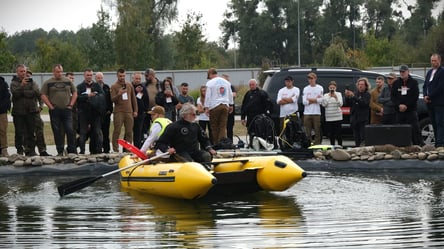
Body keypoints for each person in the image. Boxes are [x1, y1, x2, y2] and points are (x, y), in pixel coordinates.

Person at [40, 64, 78, 156]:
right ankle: (60, 151)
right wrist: (50, 106)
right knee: (57, 131)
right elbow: (43, 95)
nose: (59, 73)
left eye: (61, 71)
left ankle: (71, 150)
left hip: (67, 110)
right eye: (57, 72)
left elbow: (75, 93)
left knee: (70, 130)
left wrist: (71, 105)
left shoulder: (68, 81)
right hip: (55, 110)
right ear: (53, 72)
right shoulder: (48, 82)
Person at [10, 65, 40, 156]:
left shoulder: (31, 82)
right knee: (19, 132)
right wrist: (22, 86)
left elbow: (35, 92)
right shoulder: (14, 83)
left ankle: (31, 150)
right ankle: (19, 150)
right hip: (18, 112)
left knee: (31, 132)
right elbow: (15, 94)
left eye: (24, 71)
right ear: (17, 72)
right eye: (21, 71)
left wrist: (23, 92)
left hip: (30, 111)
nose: (23, 73)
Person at [391, 65, 423, 146]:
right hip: (399, 111)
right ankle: (401, 145)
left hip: (410, 110)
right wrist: (399, 105)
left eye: (403, 72)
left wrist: (406, 105)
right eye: (401, 72)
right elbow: (393, 96)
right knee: (400, 129)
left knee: (415, 129)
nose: (402, 73)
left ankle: (418, 145)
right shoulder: (396, 83)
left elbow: (415, 96)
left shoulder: (414, 82)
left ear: (408, 72)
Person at [76, 68, 104, 154]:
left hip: (95, 113)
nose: (89, 77)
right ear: (84, 75)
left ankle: (99, 150)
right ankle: (82, 151)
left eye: (91, 75)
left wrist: (95, 97)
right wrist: (87, 96)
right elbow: (77, 98)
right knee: (83, 132)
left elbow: (102, 96)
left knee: (97, 132)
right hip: (83, 113)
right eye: (87, 75)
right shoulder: (80, 86)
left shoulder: (96, 86)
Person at [110, 68, 138, 152]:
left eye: (123, 76)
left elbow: (133, 99)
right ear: (117, 76)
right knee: (117, 131)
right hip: (119, 111)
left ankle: (128, 149)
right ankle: (115, 149)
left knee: (129, 131)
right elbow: (112, 99)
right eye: (120, 76)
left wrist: (135, 110)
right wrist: (119, 94)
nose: (122, 77)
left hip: (129, 111)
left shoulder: (129, 85)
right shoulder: (114, 86)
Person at [204, 68, 234, 145]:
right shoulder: (226, 82)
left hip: (214, 106)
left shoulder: (210, 83)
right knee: (223, 126)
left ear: (210, 74)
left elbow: (208, 96)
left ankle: (217, 143)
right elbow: (230, 94)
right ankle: (223, 142)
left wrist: (206, 107)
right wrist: (231, 104)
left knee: (214, 126)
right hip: (225, 105)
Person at [26, 69, 51, 156]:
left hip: (34, 110)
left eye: (29, 75)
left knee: (39, 130)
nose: (28, 76)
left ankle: (42, 150)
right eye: (26, 74)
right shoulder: (19, 84)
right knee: (27, 132)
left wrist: (41, 106)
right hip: (24, 111)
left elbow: (40, 95)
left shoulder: (34, 84)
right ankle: (29, 150)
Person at [423, 53, 444, 147]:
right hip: (429, 103)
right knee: (434, 123)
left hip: (439, 102)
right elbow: (425, 85)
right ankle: (436, 142)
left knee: (440, 123)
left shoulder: (442, 72)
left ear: (439, 61)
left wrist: (429, 96)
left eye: (435, 60)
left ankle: (440, 143)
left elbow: (440, 87)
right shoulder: (429, 72)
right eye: (432, 60)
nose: (433, 62)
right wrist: (424, 95)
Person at [345, 77, 371, 147]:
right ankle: (357, 150)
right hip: (354, 119)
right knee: (356, 137)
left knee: (363, 137)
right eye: (359, 84)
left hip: (363, 119)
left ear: (366, 86)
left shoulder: (367, 94)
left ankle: (363, 151)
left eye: (362, 84)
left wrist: (353, 97)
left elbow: (364, 104)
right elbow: (348, 104)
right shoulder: (355, 93)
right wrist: (347, 97)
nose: (360, 86)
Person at [302, 72, 323, 145]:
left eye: (312, 78)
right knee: (307, 131)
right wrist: (315, 100)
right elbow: (304, 102)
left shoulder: (320, 88)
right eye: (309, 78)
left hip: (316, 113)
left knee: (317, 131)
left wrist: (310, 100)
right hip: (307, 113)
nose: (310, 80)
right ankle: (309, 144)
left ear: (315, 79)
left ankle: (317, 145)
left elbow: (320, 101)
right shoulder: (305, 88)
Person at [95, 72, 113, 153]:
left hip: (106, 114)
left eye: (101, 78)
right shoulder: (93, 87)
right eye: (98, 78)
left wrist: (110, 110)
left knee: (106, 133)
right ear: (95, 78)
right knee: (97, 133)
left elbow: (110, 100)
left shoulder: (106, 87)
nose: (100, 79)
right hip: (97, 114)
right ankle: (97, 149)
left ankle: (106, 149)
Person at [321, 81, 343, 146]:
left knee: (339, 133)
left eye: (333, 88)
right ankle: (332, 146)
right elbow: (324, 105)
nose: (332, 89)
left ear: (336, 88)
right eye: (331, 88)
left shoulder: (339, 94)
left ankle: (340, 146)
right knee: (331, 134)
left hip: (337, 116)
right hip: (329, 117)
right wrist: (329, 97)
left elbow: (340, 104)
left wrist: (336, 98)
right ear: (328, 88)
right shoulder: (325, 95)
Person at [132, 72, 150, 148]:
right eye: (136, 78)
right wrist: (136, 91)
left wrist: (145, 110)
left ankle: (138, 147)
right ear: (133, 78)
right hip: (131, 112)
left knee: (139, 131)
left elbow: (146, 99)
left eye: (139, 79)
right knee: (129, 131)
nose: (138, 80)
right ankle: (127, 148)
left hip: (141, 113)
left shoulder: (143, 87)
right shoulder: (130, 86)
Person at [222, 74, 237, 142]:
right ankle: (222, 141)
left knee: (230, 127)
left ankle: (230, 141)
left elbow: (234, 94)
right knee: (222, 127)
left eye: (227, 80)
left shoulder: (231, 87)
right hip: (223, 108)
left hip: (230, 109)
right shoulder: (220, 87)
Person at [0, 76, 11, 157]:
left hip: (1, 112)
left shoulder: (3, 83)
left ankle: (4, 150)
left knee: (2, 131)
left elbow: (7, 97)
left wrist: (3, 107)